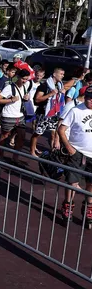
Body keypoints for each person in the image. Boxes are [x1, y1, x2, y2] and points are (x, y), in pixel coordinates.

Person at [58, 88, 92, 221]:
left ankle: (89, 207)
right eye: (89, 98)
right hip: (78, 153)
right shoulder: (76, 110)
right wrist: (70, 148)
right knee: (72, 181)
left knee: (90, 184)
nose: (90, 100)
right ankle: (68, 205)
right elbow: (62, 129)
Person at [0, 69, 30, 163]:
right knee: (4, 136)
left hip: (20, 116)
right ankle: (0, 156)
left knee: (21, 137)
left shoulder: (25, 86)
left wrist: (26, 98)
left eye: (26, 79)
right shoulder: (9, 87)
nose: (24, 81)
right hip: (8, 116)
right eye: (23, 79)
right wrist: (11, 100)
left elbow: (24, 98)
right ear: (18, 77)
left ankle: (15, 158)